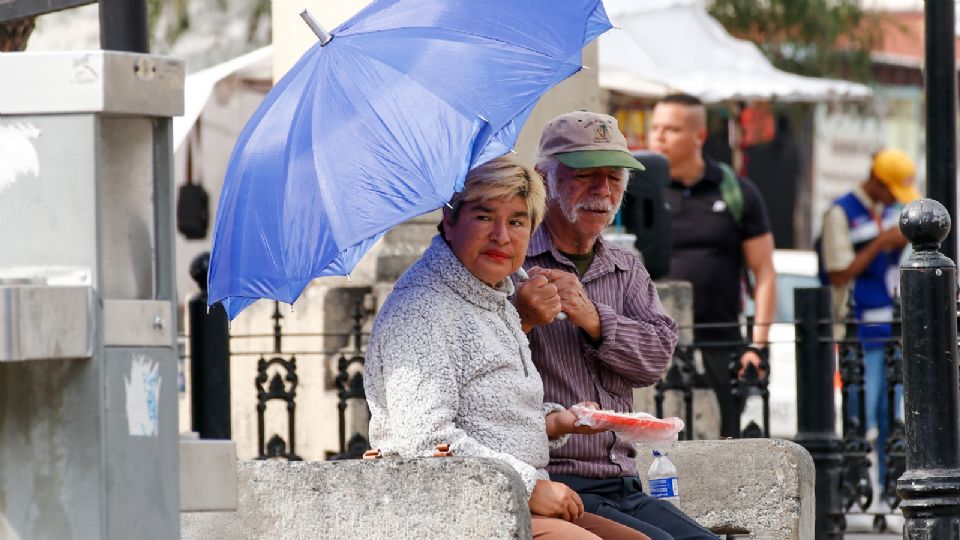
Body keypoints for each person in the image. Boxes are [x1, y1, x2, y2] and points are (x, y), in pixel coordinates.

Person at [364, 156, 650, 540]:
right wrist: (529, 485)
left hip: (506, 500)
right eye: (484, 217)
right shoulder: (422, 308)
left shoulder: (494, 295)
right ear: (449, 222)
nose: (502, 236)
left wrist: (559, 420)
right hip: (455, 509)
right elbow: (427, 439)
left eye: (516, 221)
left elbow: (492, 415)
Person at [515, 111, 716, 540]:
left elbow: (656, 359)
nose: (602, 191)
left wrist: (594, 319)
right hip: (554, 479)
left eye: (614, 177)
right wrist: (524, 316)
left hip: (622, 478)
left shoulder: (626, 267)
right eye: (585, 175)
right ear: (542, 179)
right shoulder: (516, 262)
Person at [649, 93, 776, 438]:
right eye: (655, 127)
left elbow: (764, 271)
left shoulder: (736, 191)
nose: (658, 137)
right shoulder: (639, 191)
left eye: (671, 129)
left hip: (720, 344)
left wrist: (757, 347)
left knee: (723, 443)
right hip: (651, 342)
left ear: (699, 137)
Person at [818, 148, 918, 497]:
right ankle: (852, 492)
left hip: (892, 334)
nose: (895, 198)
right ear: (876, 181)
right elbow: (838, 271)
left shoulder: (890, 211)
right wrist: (880, 244)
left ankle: (890, 490)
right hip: (859, 334)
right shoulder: (841, 212)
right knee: (860, 417)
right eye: (891, 190)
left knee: (894, 418)